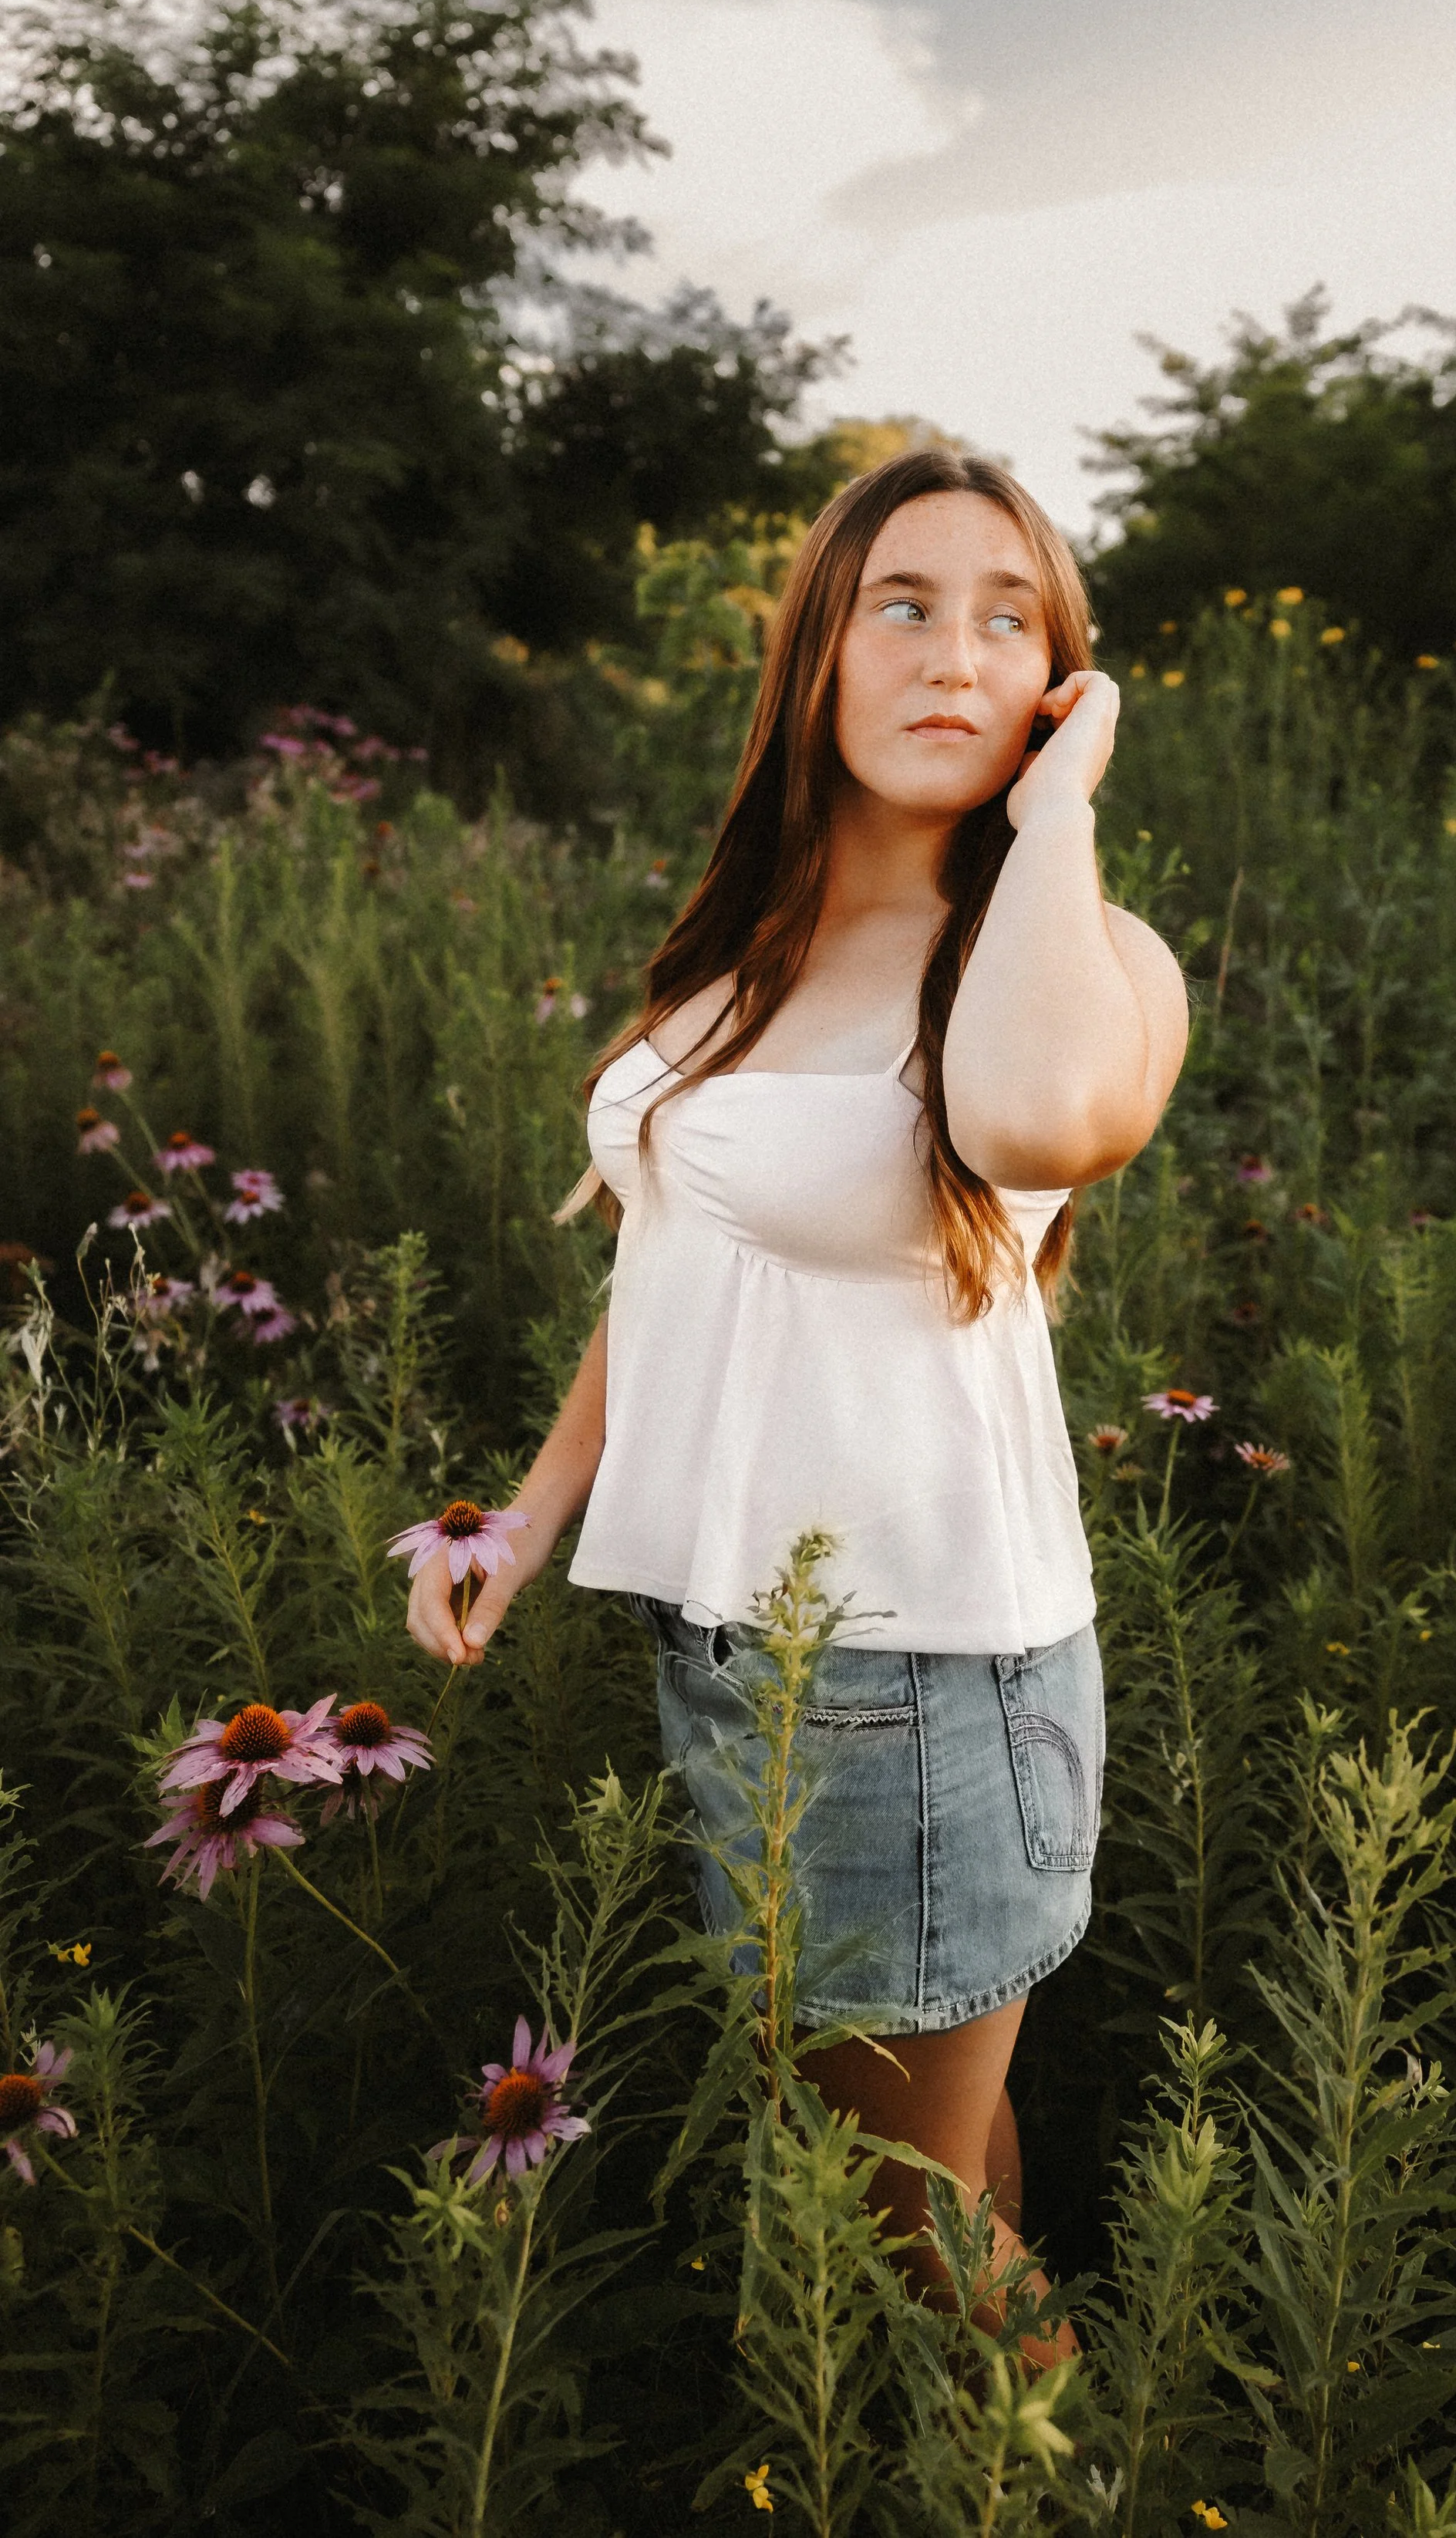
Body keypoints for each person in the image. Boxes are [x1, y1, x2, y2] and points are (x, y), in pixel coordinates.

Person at [403, 447, 1188, 2353]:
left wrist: (1061, 808)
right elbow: (674, 1252)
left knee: (894, 2221)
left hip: (916, 1684)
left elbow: (1025, 1122)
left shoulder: (1082, 964)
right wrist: (532, 1507)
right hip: (745, 1641)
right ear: (813, 655)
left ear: (1058, 683)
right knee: (934, 2154)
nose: (952, 654)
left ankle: (1051, 2473)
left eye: (1011, 619)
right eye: (899, 603)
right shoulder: (743, 950)